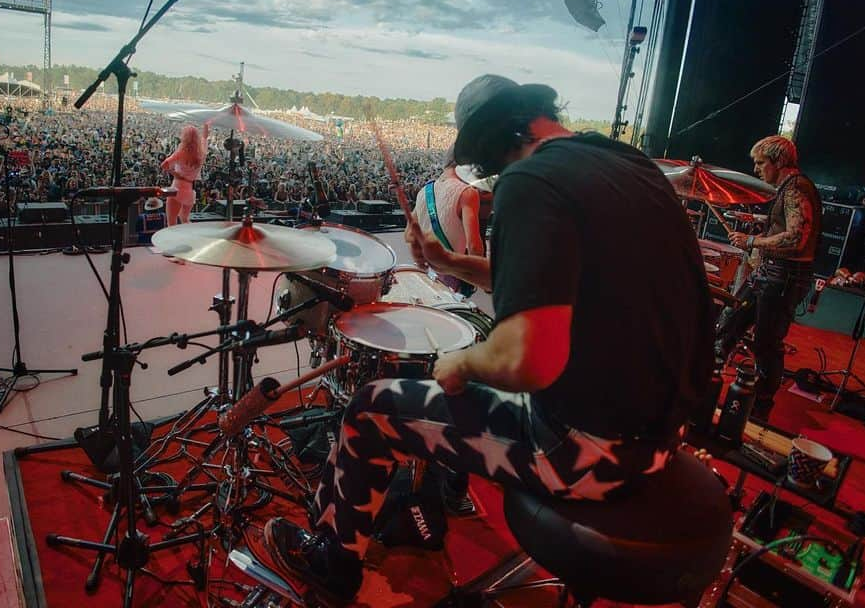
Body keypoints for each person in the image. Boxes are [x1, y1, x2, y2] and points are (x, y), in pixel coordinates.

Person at [255, 75, 714, 605]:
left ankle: (333, 566)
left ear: (497, 139)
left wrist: (462, 364)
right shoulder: (626, 165)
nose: (492, 175)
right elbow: (554, 280)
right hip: (664, 434)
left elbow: (526, 360)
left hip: (590, 450)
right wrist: (451, 264)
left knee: (371, 408)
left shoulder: (531, 182)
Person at [716, 135, 820, 421]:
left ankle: (758, 410)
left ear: (780, 162)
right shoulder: (787, 188)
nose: (757, 170)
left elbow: (797, 239)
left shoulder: (796, 188)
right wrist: (762, 227)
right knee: (729, 323)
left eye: (761, 163)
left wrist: (752, 242)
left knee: (766, 344)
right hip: (768, 273)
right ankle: (708, 385)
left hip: (783, 278)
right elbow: (786, 227)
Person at [408, 148, 485, 297]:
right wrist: (479, 276)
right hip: (452, 275)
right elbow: (474, 246)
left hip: (426, 272)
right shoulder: (467, 193)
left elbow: (409, 234)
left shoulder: (424, 191)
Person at [160, 124, 209, 226]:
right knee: (184, 219)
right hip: (189, 190)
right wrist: (206, 127)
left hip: (176, 189)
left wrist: (175, 174)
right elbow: (205, 138)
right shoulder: (201, 153)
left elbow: (164, 165)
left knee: (171, 222)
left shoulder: (180, 153)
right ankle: (190, 239)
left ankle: (175, 242)